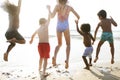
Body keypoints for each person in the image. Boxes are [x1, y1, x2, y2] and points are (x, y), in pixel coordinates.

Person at [48, 0, 80, 69]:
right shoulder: (69, 7)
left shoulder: (57, 6)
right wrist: (77, 21)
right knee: (68, 44)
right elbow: (78, 16)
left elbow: (52, 16)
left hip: (58, 26)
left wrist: (49, 9)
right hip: (66, 26)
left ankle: (54, 57)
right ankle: (67, 61)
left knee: (59, 44)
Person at [29, 6, 51, 76]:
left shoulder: (38, 29)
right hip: (46, 44)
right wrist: (49, 10)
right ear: (45, 22)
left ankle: (39, 68)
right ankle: (44, 72)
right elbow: (49, 18)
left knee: (41, 57)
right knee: (45, 59)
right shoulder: (46, 26)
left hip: (40, 45)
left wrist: (31, 40)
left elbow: (33, 35)